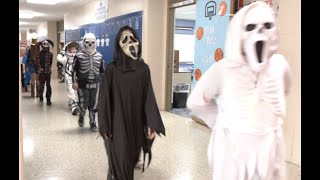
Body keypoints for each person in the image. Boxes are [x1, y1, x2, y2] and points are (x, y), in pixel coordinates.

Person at [187, 2, 291, 180]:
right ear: (239, 33)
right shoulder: (224, 68)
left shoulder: (280, 65)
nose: (260, 32)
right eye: (250, 27)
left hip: (269, 151)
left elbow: (285, 89)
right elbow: (196, 101)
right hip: (233, 154)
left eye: (267, 26)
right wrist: (221, 123)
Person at [98, 26, 166, 180]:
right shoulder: (112, 70)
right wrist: (104, 124)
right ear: (118, 44)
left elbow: (149, 97)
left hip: (136, 124)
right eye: (124, 39)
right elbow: (103, 99)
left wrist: (152, 123)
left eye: (132, 38)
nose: (130, 42)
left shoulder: (143, 69)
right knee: (119, 163)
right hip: (117, 125)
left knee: (131, 159)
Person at [72, 33, 104, 132]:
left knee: (93, 104)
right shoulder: (79, 56)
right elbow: (74, 70)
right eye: (87, 42)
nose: (90, 45)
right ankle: (81, 115)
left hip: (95, 84)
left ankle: (93, 123)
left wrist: (105, 82)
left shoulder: (99, 56)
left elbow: (102, 70)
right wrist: (74, 82)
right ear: (83, 42)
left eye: (92, 42)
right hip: (82, 84)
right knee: (83, 103)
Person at [58, 42, 80, 115]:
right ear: (68, 50)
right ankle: (74, 107)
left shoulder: (78, 58)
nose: (73, 51)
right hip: (69, 76)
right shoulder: (66, 58)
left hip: (77, 77)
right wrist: (62, 52)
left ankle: (71, 102)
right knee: (71, 91)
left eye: (75, 49)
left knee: (76, 92)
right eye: (72, 49)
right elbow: (59, 58)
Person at [35, 39, 54, 105]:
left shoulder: (50, 54)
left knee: (48, 85)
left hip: (48, 72)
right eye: (44, 46)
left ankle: (48, 98)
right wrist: (40, 68)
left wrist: (48, 68)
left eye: (47, 46)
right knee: (41, 85)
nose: (46, 48)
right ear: (42, 47)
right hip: (41, 72)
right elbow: (37, 62)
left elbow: (51, 63)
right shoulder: (38, 54)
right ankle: (41, 96)